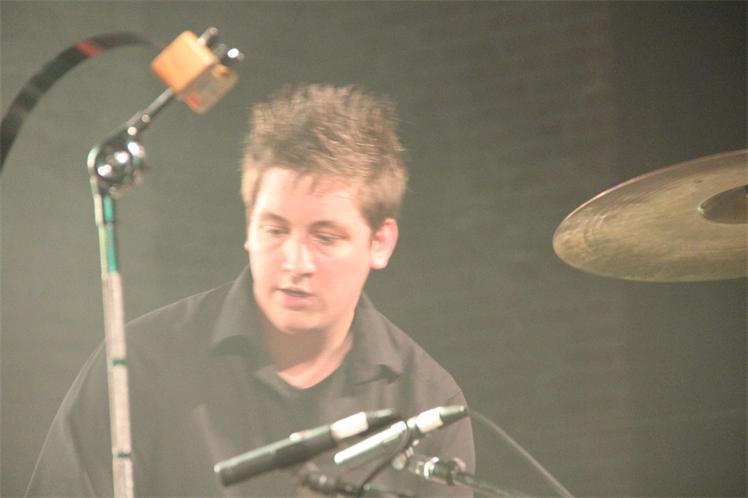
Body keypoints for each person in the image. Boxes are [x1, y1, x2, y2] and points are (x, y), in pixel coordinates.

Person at [26, 84, 475, 497]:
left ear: (380, 243)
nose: (295, 263)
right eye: (275, 230)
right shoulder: (140, 365)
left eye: (325, 238)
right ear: (248, 228)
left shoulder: (428, 400)